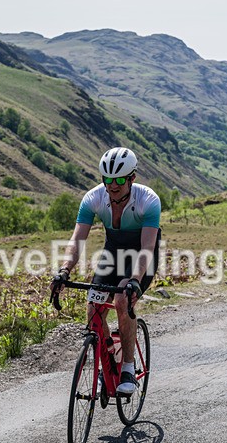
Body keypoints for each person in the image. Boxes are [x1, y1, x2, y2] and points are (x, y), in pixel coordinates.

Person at [53, 147, 161, 395]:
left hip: (141, 254)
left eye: (120, 180)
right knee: (93, 307)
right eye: (108, 179)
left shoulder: (148, 200)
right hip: (113, 252)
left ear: (132, 178)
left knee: (123, 299)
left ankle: (127, 368)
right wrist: (64, 270)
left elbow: (146, 248)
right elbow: (77, 240)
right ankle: (106, 364)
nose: (113, 185)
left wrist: (134, 280)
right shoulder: (93, 198)